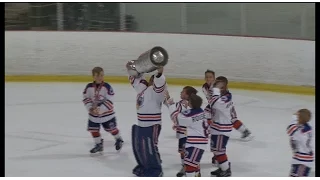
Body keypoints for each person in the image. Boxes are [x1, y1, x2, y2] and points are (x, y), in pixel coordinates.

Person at [203, 70, 253, 166]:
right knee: (215, 140)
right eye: (207, 77)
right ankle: (217, 156)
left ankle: (245, 131)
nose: (208, 79)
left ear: (214, 78)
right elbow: (211, 102)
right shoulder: (205, 87)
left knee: (232, 119)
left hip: (223, 112)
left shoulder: (224, 93)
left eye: (210, 77)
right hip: (216, 111)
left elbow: (217, 103)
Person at [126, 61, 166, 177]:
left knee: (150, 147)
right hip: (142, 124)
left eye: (155, 80)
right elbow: (135, 79)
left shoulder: (158, 92)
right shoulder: (142, 89)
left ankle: (156, 170)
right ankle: (145, 165)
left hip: (153, 124)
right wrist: (135, 68)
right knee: (140, 148)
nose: (153, 82)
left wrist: (159, 72)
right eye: (152, 80)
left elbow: (160, 83)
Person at [165, 93, 209, 177]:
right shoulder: (201, 112)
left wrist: (171, 105)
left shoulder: (192, 114)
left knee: (189, 167)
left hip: (196, 144)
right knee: (191, 164)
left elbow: (176, 118)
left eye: (189, 101)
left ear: (191, 103)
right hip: (197, 142)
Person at [82, 67, 123, 154]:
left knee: (111, 129)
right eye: (97, 75)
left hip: (107, 115)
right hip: (94, 115)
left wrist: (101, 109)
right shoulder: (89, 87)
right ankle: (98, 144)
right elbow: (86, 98)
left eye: (101, 75)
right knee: (93, 129)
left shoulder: (107, 87)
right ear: (93, 76)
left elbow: (110, 100)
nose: (99, 77)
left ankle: (118, 139)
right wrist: (90, 108)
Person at [207, 76, 233, 177]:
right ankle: (223, 167)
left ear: (225, 87)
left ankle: (226, 170)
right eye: (218, 86)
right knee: (215, 150)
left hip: (222, 128)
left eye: (221, 87)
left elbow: (215, 104)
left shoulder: (227, 97)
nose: (219, 88)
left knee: (219, 150)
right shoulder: (218, 95)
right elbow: (211, 104)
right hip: (216, 127)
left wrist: (215, 89)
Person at [287, 109, 313, 177]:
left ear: (300, 118)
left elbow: (290, 129)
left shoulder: (302, 131)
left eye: (298, 116)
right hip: (299, 157)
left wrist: (294, 117)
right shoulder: (304, 126)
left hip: (303, 160)